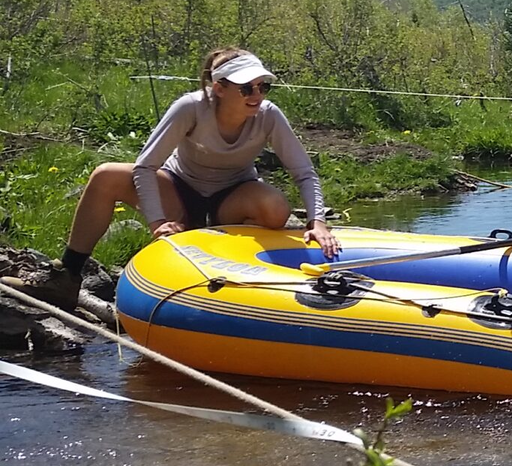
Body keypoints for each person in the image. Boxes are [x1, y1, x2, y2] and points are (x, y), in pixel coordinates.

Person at [2, 47, 341, 310]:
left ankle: (233, 269)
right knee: (105, 175)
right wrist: (157, 222)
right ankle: (67, 275)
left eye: (263, 86)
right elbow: (145, 166)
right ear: (219, 88)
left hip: (232, 197)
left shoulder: (269, 115)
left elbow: (303, 171)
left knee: (276, 207)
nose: (257, 94)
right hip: (179, 189)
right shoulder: (189, 108)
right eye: (247, 88)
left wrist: (318, 222)